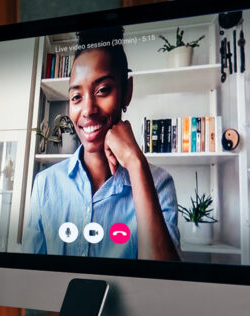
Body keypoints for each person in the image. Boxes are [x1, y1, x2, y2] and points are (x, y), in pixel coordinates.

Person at [22, 27, 180, 260]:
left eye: (103, 90)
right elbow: (32, 279)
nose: (88, 110)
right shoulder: (46, 184)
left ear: (127, 92)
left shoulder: (159, 184)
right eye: (76, 97)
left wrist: (136, 164)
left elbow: (164, 287)